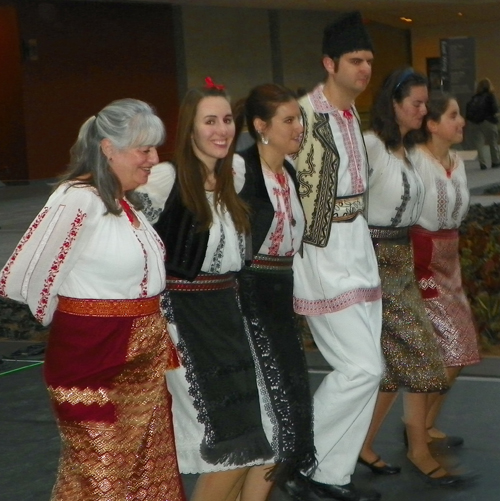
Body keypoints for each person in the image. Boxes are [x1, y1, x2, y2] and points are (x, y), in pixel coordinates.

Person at [0, 99, 185, 500]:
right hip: (94, 362)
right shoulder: (78, 198)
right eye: (144, 149)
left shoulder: (124, 204)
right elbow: (22, 274)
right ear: (108, 149)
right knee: (101, 478)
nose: (153, 158)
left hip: (143, 363)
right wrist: (63, 316)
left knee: (141, 475)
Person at [136, 80, 275, 501]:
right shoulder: (166, 178)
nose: (221, 129)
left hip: (230, 315)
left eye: (227, 120)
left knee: (266, 439)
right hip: (186, 321)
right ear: (190, 130)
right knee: (229, 448)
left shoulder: (232, 173)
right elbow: (122, 229)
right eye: (209, 121)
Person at [285, 11, 384, 501]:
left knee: (372, 368)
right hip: (321, 252)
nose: (365, 68)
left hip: (358, 247)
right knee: (362, 368)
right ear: (330, 63)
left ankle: (329, 473)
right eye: (355, 60)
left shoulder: (349, 113)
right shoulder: (302, 114)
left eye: (368, 60)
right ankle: (297, 454)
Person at [360, 68, 461, 487]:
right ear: (394, 104)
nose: (423, 110)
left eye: (425, 103)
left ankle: (362, 445)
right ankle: (417, 448)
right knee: (423, 355)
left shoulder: (406, 148)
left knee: (396, 363)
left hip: (400, 255)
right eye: (416, 103)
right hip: (377, 257)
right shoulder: (371, 145)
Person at [233, 83, 316, 483]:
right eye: (289, 120)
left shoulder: (288, 171)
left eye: (299, 118)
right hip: (249, 294)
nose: (299, 127)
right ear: (261, 126)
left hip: (281, 293)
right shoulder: (239, 170)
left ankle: (285, 478)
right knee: (272, 401)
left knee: (292, 392)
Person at [411, 93, 481, 445]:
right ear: (432, 124)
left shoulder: (457, 161)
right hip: (423, 257)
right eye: (454, 115)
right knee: (453, 345)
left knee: (457, 348)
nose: (462, 122)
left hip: (448, 258)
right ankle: (417, 430)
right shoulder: (415, 160)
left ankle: (423, 427)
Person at [465, 78, 500, 170]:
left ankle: (483, 163)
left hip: (475, 123)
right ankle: (495, 161)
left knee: (479, 144)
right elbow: (495, 109)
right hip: (488, 122)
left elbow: (468, 111)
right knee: (493, 142)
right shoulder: (490, 96)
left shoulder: (474, 97)